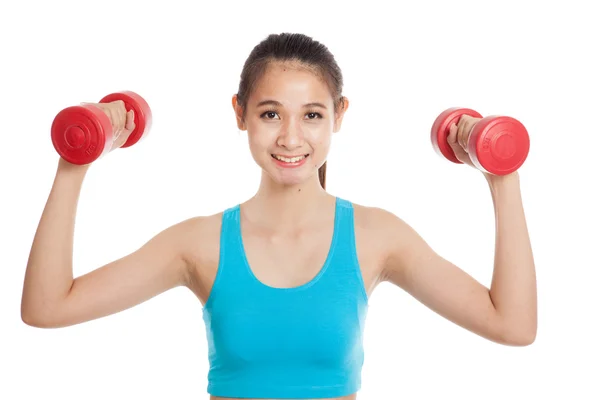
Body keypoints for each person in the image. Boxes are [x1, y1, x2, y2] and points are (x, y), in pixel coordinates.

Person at [21, 33, 537, 400]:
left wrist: (502, 178)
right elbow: (46, 308)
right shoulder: (198, 244)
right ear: (239, 113)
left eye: (312, 115)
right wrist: (74, 165)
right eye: (270, 114)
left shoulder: (375, 237)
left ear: (339, 115)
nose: (291, 138)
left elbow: (512, 325)